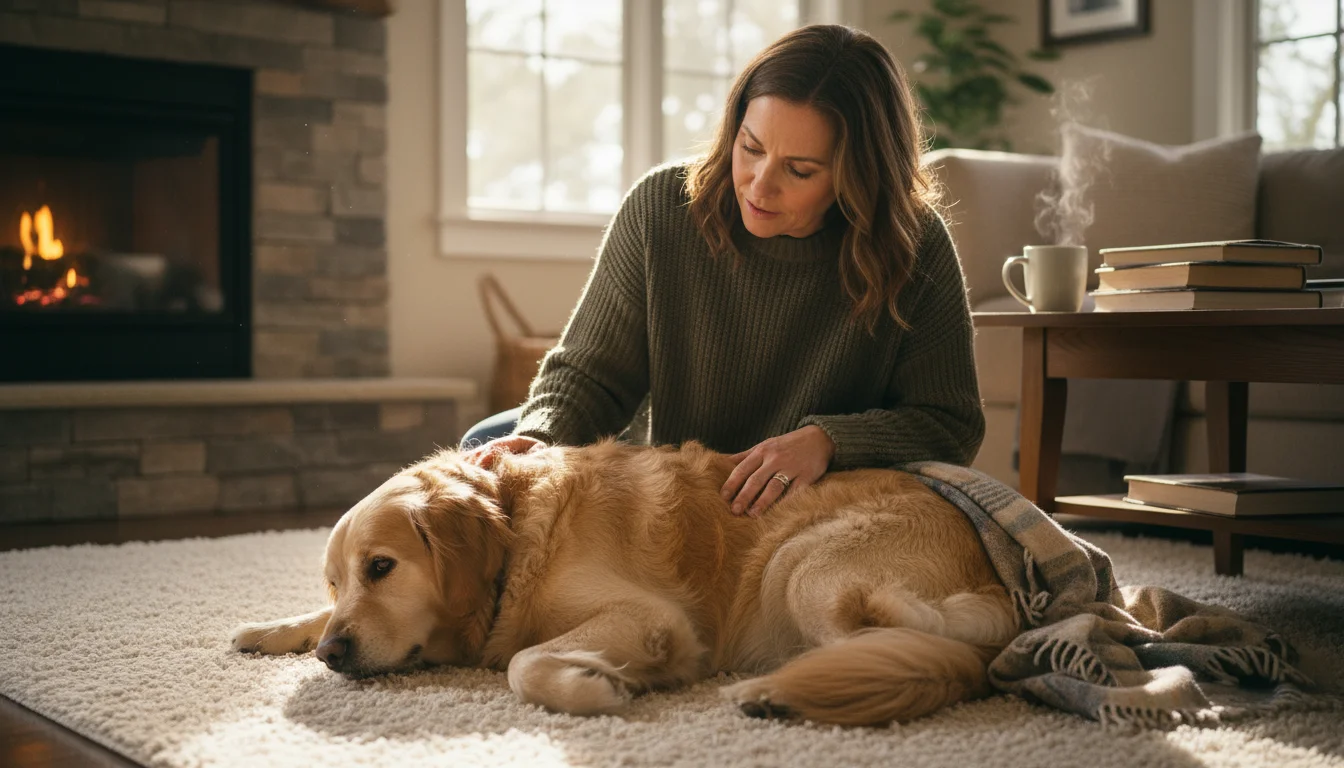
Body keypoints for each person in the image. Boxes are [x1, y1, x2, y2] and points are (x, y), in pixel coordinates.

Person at [461, 24, 984, 519]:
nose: (758, 186)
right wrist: (542, 438)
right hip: (667, 500)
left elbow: (949, 422)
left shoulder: (912, 242)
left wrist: (829, 441)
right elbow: (591, 373)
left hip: (804, 514)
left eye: (799, 170)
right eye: (751, 148)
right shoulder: (660, 208)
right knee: (486, 448)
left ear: (860, 176)